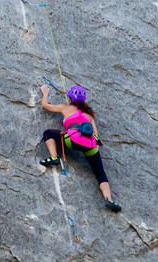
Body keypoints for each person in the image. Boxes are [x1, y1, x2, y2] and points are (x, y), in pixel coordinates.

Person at [39, 84, 122, 212]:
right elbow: (96, 134)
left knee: (48, 133)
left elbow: (45, 105)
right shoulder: (89, 116)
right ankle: (108, 199)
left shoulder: (65, 108)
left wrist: (45, 93)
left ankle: (54, 157)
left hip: (71, 140)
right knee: (100, 173)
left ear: (71, 99)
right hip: (90, 146)